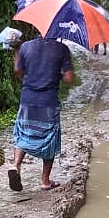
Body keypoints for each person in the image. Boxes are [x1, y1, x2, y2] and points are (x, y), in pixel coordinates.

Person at [9, 37, 74, 192]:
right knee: (49, 137)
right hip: (48, 100)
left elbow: (18, 71)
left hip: (27, 98)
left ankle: (16, 166)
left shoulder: (26, 46)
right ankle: (45, 181)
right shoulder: (61, 49)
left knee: (24, 133)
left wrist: (16, 51)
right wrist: (58, 74)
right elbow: (68, 78)